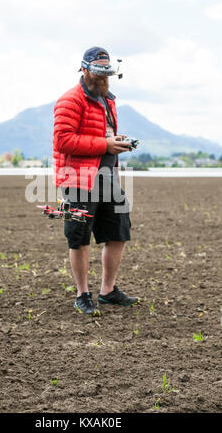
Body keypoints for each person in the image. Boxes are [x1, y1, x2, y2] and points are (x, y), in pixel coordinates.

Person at [53, 46, 140, 316]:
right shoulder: (70, 100)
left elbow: (104, 134)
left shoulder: (108, 99)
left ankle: (107, 291)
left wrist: (116, 142)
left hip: (107, 177)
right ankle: (82, 294)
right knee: (78, 238)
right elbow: (63, 141)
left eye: (107, 73)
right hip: (78, 179)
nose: (103, 78)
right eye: (99, 72)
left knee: (118, 232)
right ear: (84, 69)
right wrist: (105, 144)